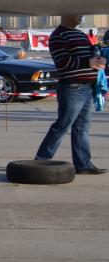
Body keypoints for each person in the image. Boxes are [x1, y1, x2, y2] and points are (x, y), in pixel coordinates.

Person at [34, 14, 108, 174]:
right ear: (67, 13)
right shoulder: (58, 36)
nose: (81, 16)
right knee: (62, 125)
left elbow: (90, 56)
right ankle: (40, 161)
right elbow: (62, 62)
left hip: (88, 87)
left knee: (82, 128)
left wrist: (99, 59)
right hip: (72, 87)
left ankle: (83, 164)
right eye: (78, 12)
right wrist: (88, 62)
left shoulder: (80, 34)